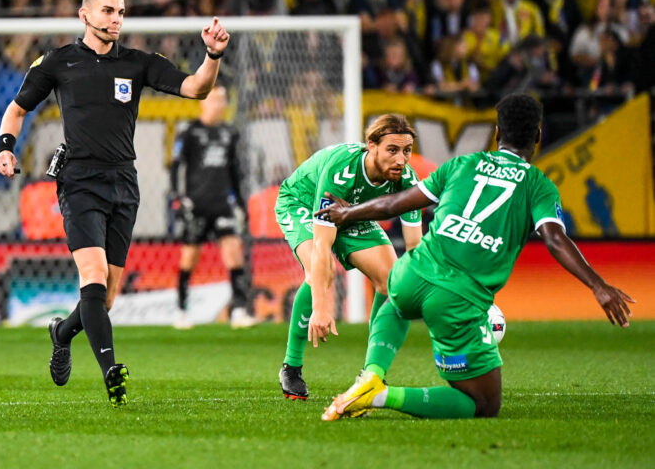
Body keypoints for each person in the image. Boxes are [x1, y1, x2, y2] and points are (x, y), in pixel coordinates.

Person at [317, 94, 633, 421]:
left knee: (395, 302)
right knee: (482, 403)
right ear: (538, 136)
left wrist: (347, 213)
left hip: (411, 272)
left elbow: (394, 204)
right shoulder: (538, 186)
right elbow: (554, 239)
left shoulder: (462, 165)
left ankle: (371, 372)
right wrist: (598, 286)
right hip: (456, 297)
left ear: (497, 133)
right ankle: (381, 395)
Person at [0, 0, 229, 407]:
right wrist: (5, 148)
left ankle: (61, 332)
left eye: (120, 11)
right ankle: (110, 370)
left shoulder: (138, 63)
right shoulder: (57, 62)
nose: (116, 18)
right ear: (84, 15)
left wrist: (212, 55)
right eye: (107, 10)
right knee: (94, 275)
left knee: (106, 296)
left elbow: (197, 88)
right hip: (78, 181)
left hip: (123, 182)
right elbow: (17, 109)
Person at [275, 114, 424, 401]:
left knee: (392, 282)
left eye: (406, 150)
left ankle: (372, 373)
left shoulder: (407, 180)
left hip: (351, 212)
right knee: (322, 270)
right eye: (392, 150)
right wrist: (320, 307)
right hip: (301, 203)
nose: (401, 159)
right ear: (371, 145)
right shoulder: (341, 171)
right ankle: (291, 367)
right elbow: (322, 245)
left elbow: (414, 247)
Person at [169, 85, 257, 330]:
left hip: (222, 204)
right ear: (203, 102)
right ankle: (181, 310)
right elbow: (176, 167)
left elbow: (234, 172)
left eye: (222, 99)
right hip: (196, 204)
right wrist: (179, 198)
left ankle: (238, 310)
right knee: (189, 257)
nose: (219, 104)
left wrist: (240, 203)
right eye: (214, 99)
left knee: (233, 251)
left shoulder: (230, 133)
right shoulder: (189, 132)